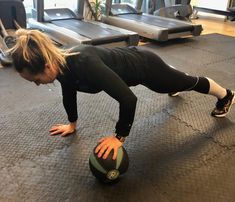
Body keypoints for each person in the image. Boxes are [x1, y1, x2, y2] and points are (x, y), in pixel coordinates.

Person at [10, 29, 235, 160]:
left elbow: (128, 98)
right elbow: (68, 92)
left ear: (47, 66)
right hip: (132, 62)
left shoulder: (83, 63)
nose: (38, 85)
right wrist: (72, 124)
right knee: (171, 82)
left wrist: (119, 138)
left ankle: (226, 94)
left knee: (186, 82)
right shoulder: (60, 66)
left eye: (36, 80)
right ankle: (173, 79)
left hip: (145, 67)